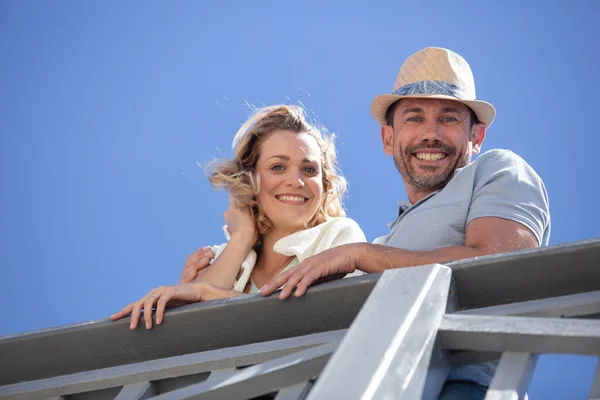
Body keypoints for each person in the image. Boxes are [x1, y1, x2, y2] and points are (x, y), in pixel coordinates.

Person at [178, 47, 551, 399]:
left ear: (477, 135)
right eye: (414, 118)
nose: (430, 133)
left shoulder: (497, 170)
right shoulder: (388, 241)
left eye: (449, 118)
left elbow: (502, 265)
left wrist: (361, 255)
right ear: (389, 138)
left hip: (461, 385)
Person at [110, 105, 366, 330]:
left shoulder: (340, 235)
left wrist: (205, 292)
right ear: (250, 179)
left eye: (309, 170)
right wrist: (242, 237)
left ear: (323, 185)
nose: (296, 181)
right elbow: (191, 329)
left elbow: (318, 317)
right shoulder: (221, 255)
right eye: (278, 167)